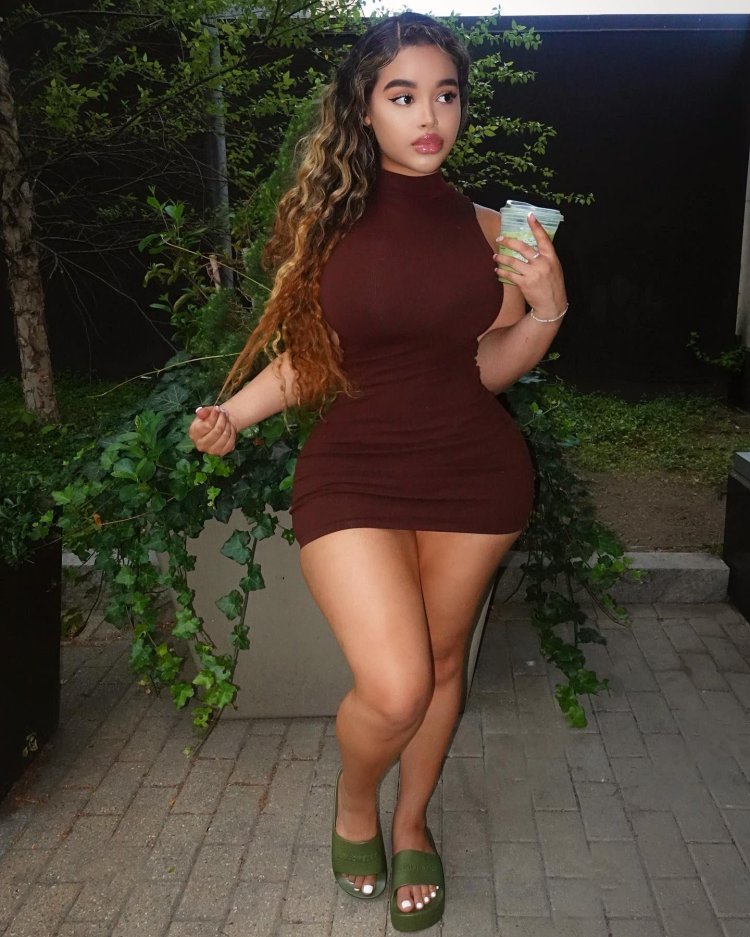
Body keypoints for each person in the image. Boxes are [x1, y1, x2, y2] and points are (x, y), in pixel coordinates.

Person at [188, 11, 567, 932]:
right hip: (353, 466)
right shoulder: (326, 226)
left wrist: (547, 309)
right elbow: (310, 360)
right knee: (396, 683)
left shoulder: (495, 231)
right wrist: (235, 414)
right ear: (363, 109)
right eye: (403, 96)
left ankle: (411, 821)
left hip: (472, 471)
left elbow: (484, 367)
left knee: (441, 663)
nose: (429, 116)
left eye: (445, 95)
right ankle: (357, 799)